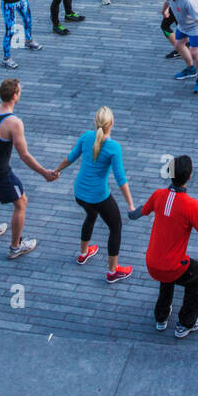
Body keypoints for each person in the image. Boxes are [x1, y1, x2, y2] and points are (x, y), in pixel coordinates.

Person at [128, 154, 198, 335]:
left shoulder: (158, 195)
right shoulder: (190, 205)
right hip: (171, 266)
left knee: (168, 272)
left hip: (152, 263)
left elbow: (139, 212)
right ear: (190, 177)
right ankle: (187, 322)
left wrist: (130, 214)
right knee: (197, 272)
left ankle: (161, 317)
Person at [0, 77, 59, 258]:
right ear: (15, 96)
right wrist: (44, 173)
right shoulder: (14, 123)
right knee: (21, 203)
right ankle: (15, 246)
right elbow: (24, 155)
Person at [52, 106, 136, 281]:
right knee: (115, 226)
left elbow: (70, 157)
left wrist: (57, 170)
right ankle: (113, 272)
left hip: (80, 193)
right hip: (98, 196)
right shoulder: (113, 147)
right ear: (112, 123)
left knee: (91, 214)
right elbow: (121, 179)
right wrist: (130, 204)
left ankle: (84, 253)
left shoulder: (86, 137)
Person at [159, 0, 198, 93]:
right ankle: (191, 69)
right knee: (178, 45)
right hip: (183, 23)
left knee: (194, 52)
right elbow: (167, 0)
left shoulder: (187, 1)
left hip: (195, 25)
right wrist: (164, 11)